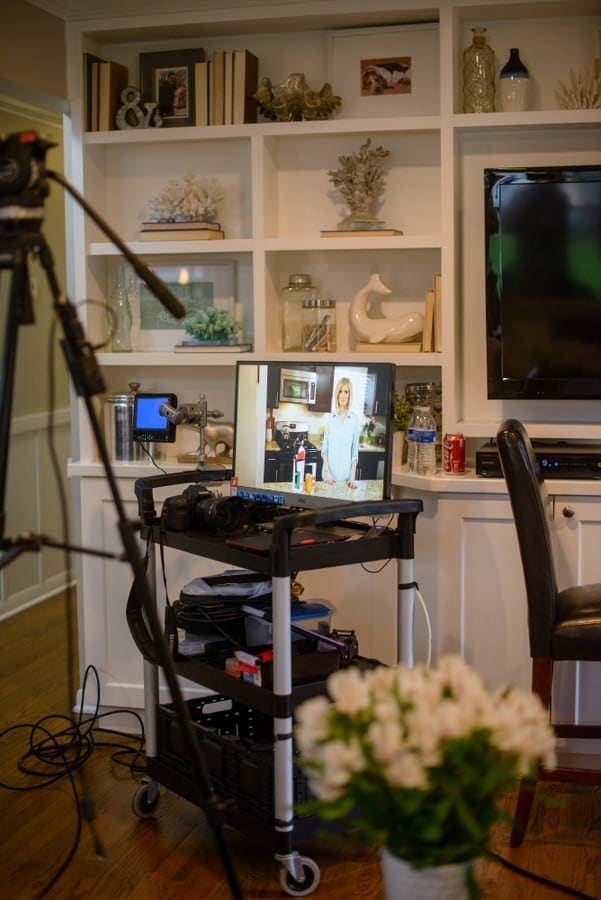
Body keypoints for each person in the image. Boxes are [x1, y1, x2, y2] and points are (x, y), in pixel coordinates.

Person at [321, 376, 360, 488]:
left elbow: (354, 453)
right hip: (328, 478)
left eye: (346, 392)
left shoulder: (355, 419)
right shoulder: (330, 418)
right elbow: (324, 450)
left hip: (346, 479)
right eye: (340, 391)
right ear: (337, 395)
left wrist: (352, 477)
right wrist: (327, 473)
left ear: (350, 394)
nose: (343, 395)